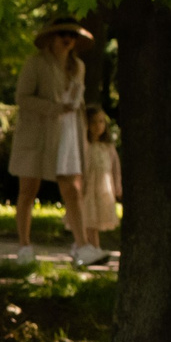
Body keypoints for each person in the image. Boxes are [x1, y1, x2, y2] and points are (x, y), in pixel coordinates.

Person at [8, 18, 88, 263]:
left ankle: (82, 246)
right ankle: (24, 246)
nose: (68, 39)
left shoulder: (78, 67)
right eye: (63, 34)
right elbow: (23, 97)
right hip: (37, 133)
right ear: (51, 38)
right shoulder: (36, 63)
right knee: (28, 189)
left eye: (72, 35)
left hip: (68, 133)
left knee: (72, 189)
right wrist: (53, 108)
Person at [75, 107, 119, 264]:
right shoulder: (84, 145)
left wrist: (118, 187)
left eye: (101, 121)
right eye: (93, 122)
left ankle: (92, 247)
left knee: (96, 219)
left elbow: (115, 168)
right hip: (88, 188)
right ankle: (90, 247)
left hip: (102, 190)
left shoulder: (107, 146)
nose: (98, 125)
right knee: (88, 218)